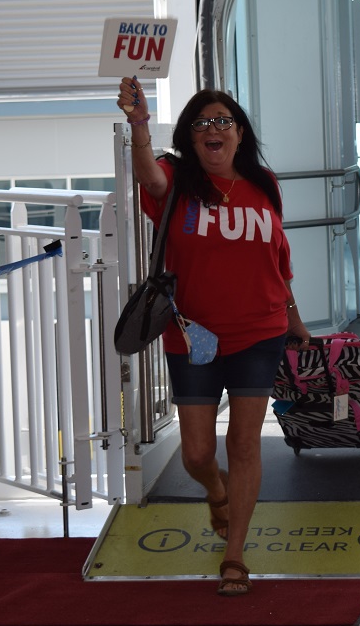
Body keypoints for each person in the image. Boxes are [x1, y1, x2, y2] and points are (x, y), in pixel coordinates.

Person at [116, 78, 312, 597]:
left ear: (240, 135)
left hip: (259, 331)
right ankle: (214, 491)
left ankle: (235, 554)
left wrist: (294, 318)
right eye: (202, 123)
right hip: (192, 336)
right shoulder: (175, 181)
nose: (214, 129)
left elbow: (279, 259)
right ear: (189, 137)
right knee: (198, 453)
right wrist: (139, 123)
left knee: (244, 442)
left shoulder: (264, 183)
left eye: (224, 121)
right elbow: (146, 177)